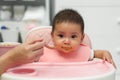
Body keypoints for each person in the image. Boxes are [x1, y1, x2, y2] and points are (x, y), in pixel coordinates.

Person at [39, 9, 116, 67]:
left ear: (81, 38)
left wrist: (105, 53)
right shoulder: (42, 52)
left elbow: (98, 53)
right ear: (52, 36)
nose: (67, 41)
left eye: (73, 37)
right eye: (61, 36)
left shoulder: (83, 51)